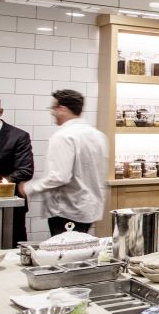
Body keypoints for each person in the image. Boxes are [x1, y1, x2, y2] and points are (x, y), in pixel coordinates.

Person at [20, 90, 107, 236]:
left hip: (68, 210)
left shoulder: (63, 136)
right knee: (80, 251)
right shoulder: (98, 135)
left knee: (65, 254)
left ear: (63, 109)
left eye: (53, 108)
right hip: (89, 209)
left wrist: (28, 188)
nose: (52, 112)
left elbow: (59, 177)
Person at [0, 95, 34, 245]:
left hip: (9, 206)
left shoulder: (18, 136)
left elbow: (26, 169)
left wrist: (1, 184)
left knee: (11, 248)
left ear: (1, 111)